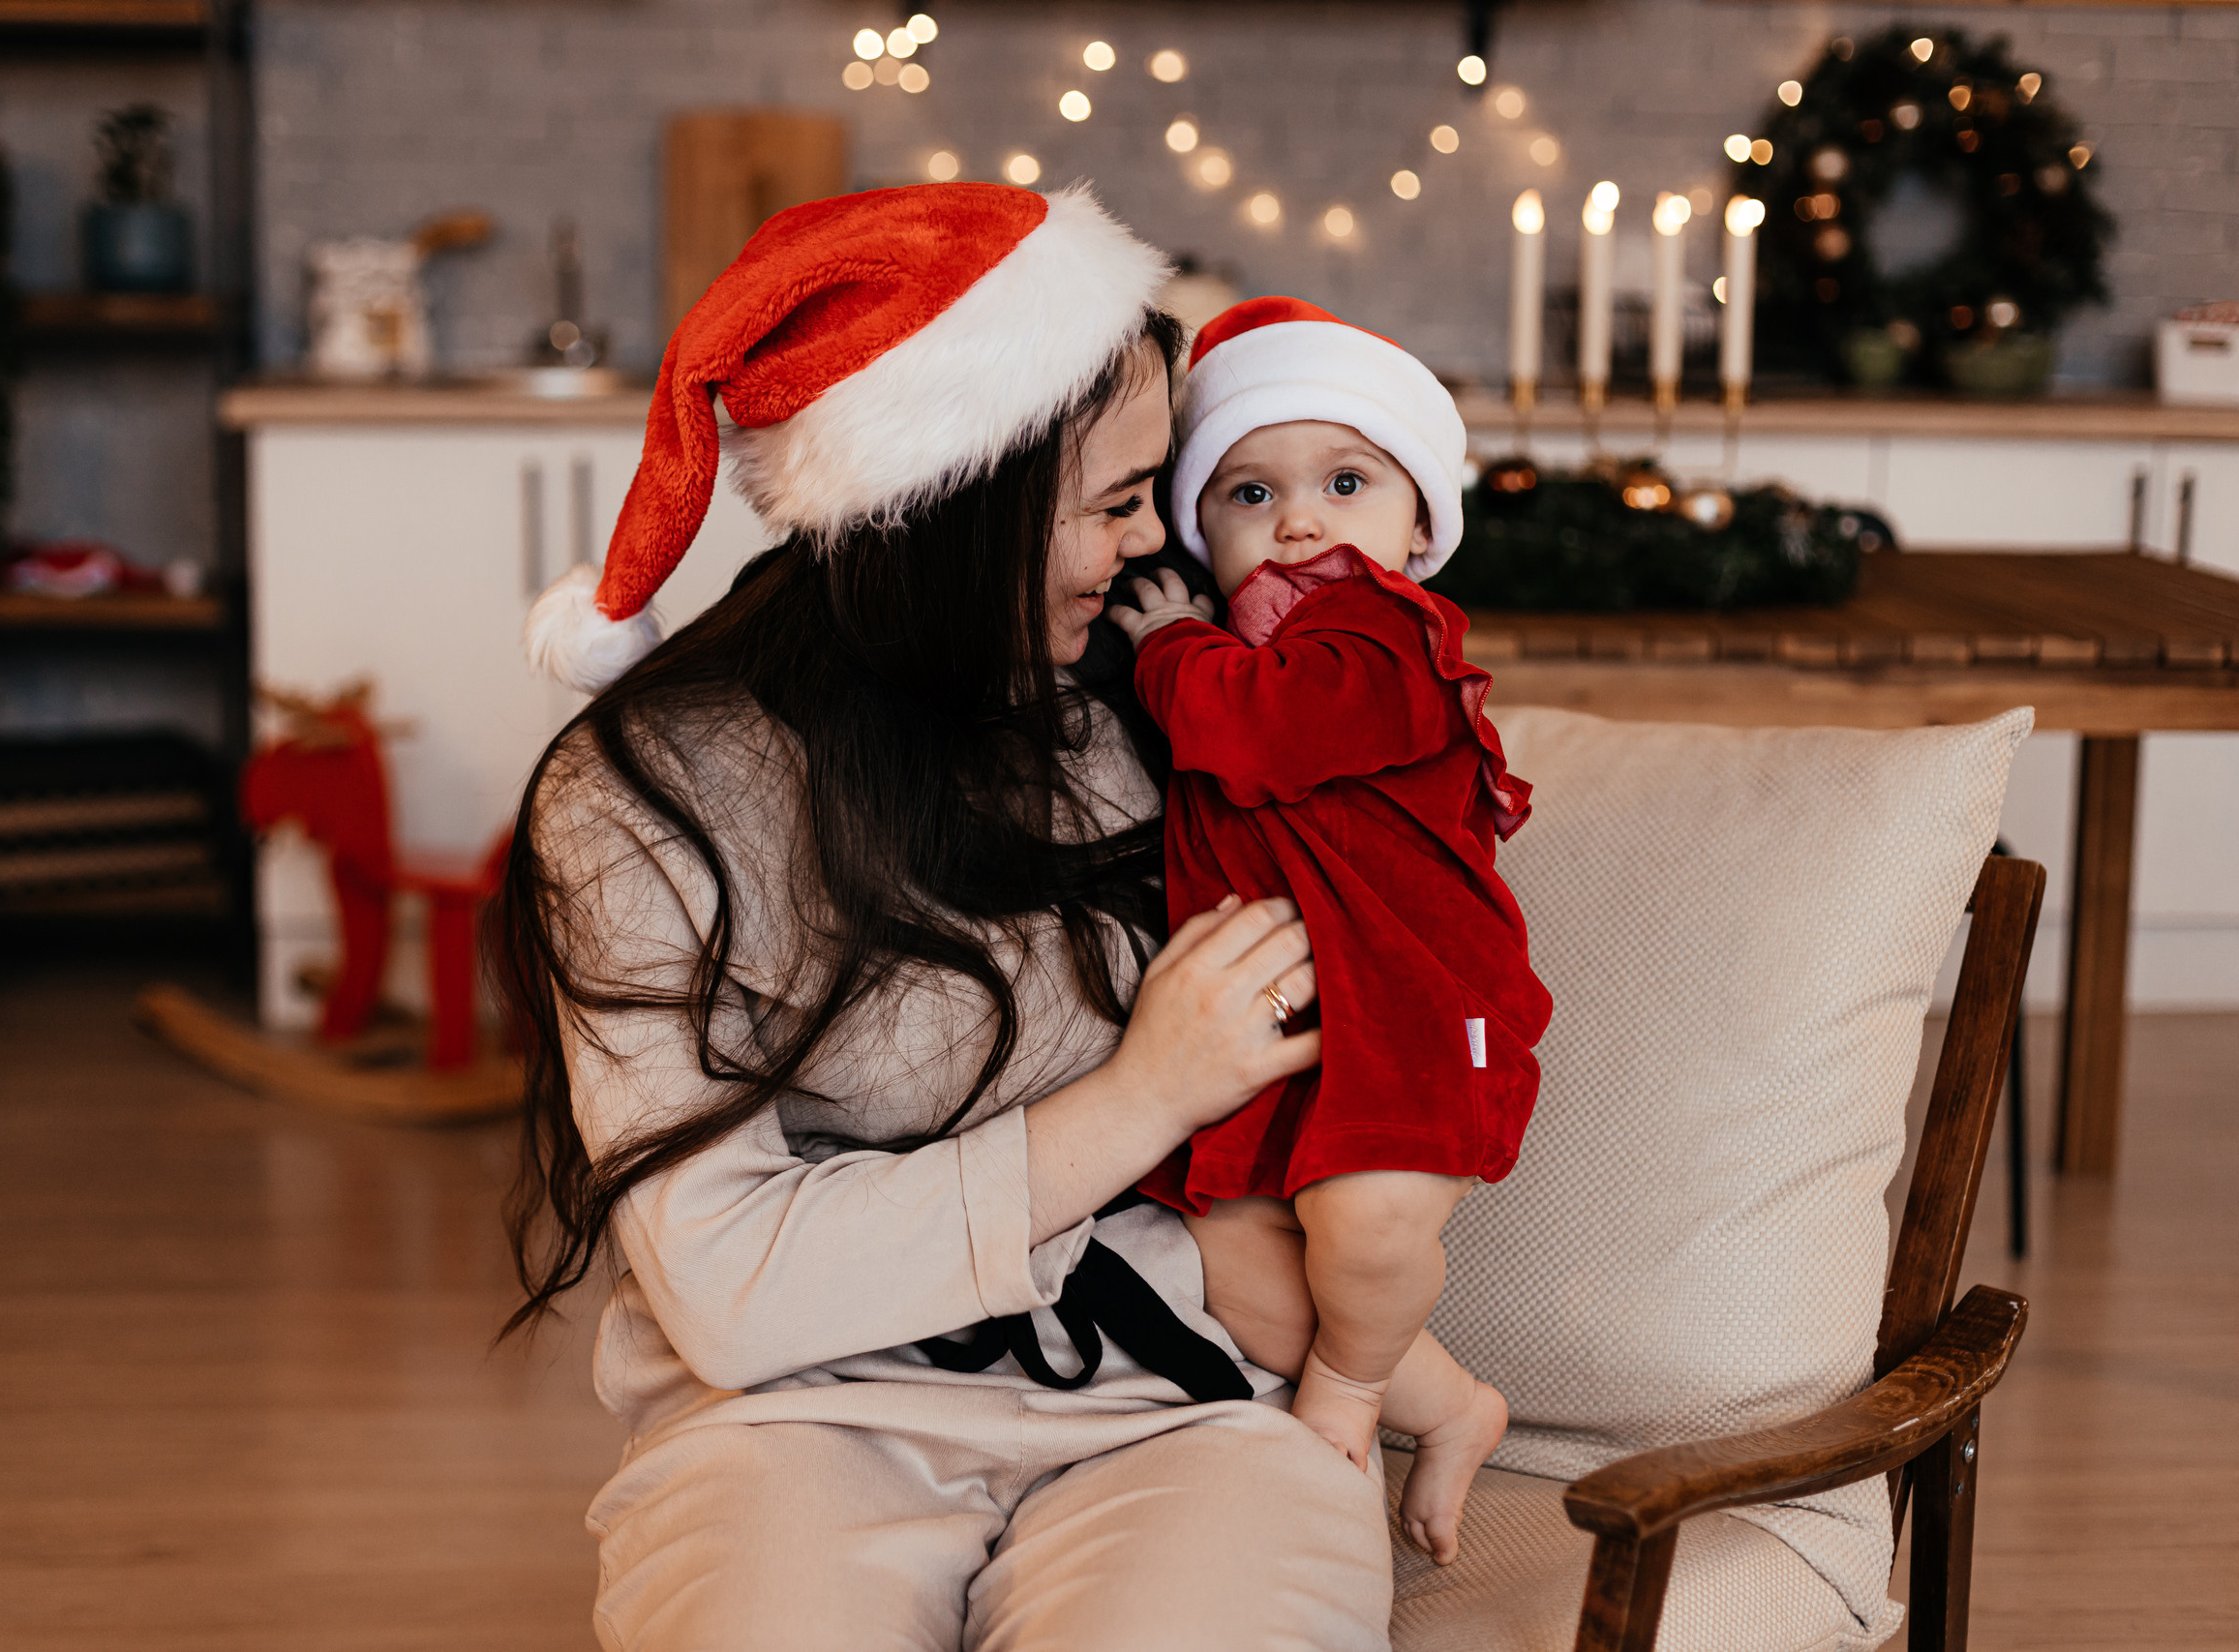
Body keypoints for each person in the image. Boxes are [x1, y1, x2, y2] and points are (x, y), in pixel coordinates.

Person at [499, 188, 1396, 1649]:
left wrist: (1394, 1359)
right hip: (789, 1419)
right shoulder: (642, 798)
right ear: (954, 507)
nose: (1148, 553)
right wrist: (1144, 1097)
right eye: (1112, 505)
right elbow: (731, 1288)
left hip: (1180, 1406)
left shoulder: (1167, 707)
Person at [1108, 297, 1553, 1566]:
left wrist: (1168, 646)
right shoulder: (1232, 650)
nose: (1300, 519)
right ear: (1201, 529)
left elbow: (1263, 730)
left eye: (1346, 482)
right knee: (1236, 1262)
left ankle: (1350, 1401)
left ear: (1420, 529)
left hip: (1414, 1011)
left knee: (1365, 1235)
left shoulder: (1391, 635)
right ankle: (1452, 1404)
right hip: (1286, 1030)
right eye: (1248, 494)